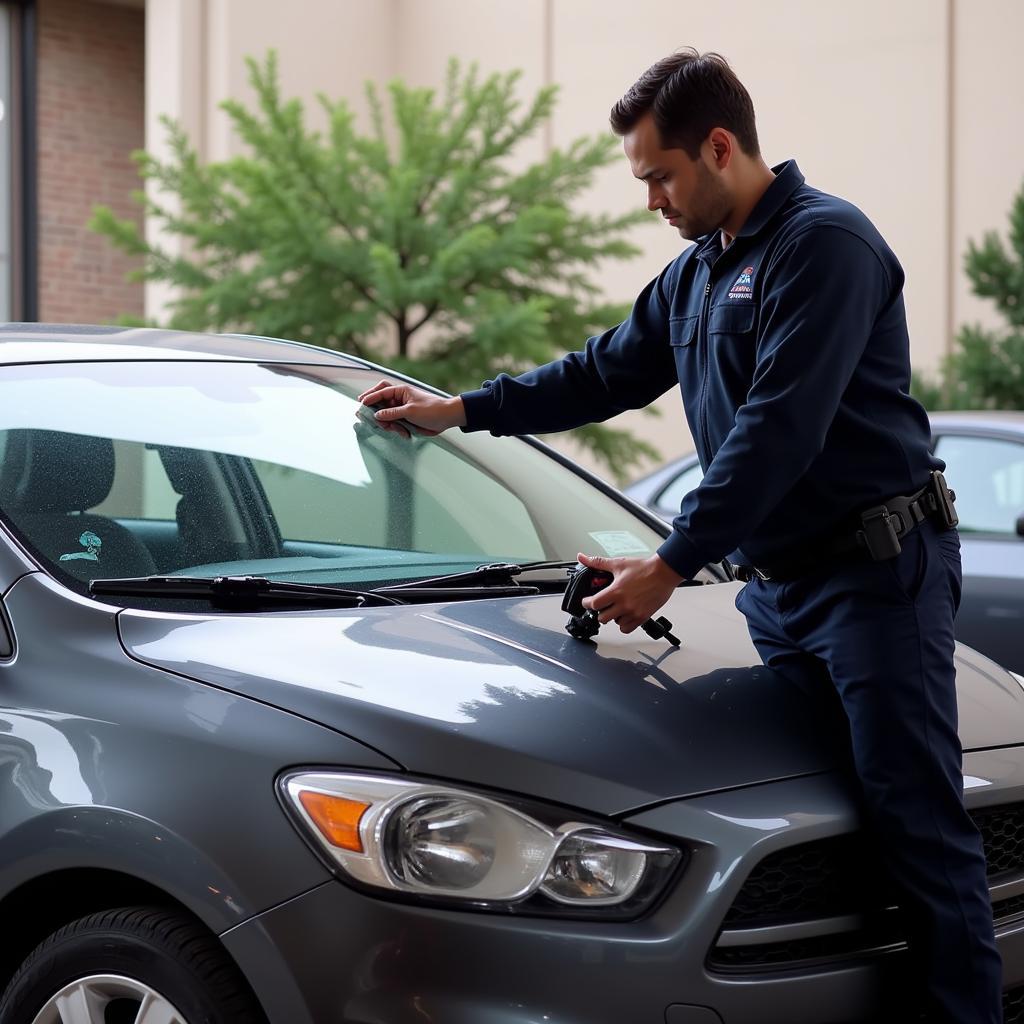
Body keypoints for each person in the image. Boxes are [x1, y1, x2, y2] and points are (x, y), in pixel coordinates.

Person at [358, 49, 1002, 1022]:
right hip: (780, 592)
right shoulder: (695, 274)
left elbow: (778, 429)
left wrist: (670, 563)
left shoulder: (825, 246)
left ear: (717, 146)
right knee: (813, 817)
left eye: (659, 175)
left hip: (876, 578)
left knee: (917, 823)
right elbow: (599, 373)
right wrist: (457, 410)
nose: (650, 199)